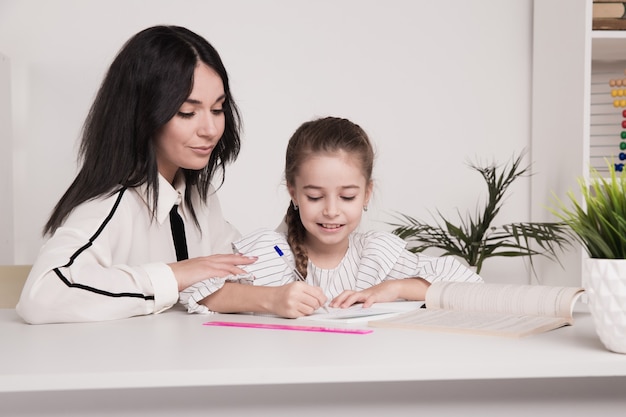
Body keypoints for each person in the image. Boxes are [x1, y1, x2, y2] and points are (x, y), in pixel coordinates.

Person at [16, 25, 257, 324]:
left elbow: (242, 269)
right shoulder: (113, 203)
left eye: (218, 109)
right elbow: (42, 294)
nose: (210, 129)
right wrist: (175, 275)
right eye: (187, 112)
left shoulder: (199, 195)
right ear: (144, 113)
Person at [180, 116, 482, 317]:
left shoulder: (378, 255)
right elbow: (195, 292)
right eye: (314, 196)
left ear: (366, 194)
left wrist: (396, 288)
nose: (331, 210)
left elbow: (470, 285)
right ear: (294, 193)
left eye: (347, 196)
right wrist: (271, 299)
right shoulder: (269, 252)